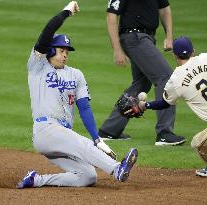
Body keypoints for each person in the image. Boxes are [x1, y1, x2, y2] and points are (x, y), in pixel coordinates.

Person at [16, 1, 138, 188]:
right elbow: (47, 32)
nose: (65, 54)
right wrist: (66, 12)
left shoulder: (76, 74)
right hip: (45, 130)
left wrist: (96, 138)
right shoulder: (38, 66)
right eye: (61, 50)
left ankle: (36, 179)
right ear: (49, 51)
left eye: (67, 52)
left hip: (63, 133)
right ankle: (116, 169)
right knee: (81, 143)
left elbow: (84, 107)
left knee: (88, 176)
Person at [139, 36, 207, 176]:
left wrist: (145, 105)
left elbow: (164, 103)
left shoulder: (175, 80)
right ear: (193, 51)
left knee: (198, 145)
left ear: (174, 55)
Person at [99, 0, 186, 146]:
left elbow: (164, 9)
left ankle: (109, 130)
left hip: (147, 39)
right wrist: (117, 49)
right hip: (134, 38)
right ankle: (164, 133)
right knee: (166, 77)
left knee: (141, 84)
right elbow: (111, 16)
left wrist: (169, 36)